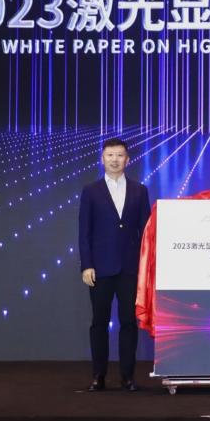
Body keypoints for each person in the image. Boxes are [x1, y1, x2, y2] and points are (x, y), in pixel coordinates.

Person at [78, 138, 151, 391]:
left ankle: (127, 377)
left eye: (120, 155)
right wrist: (86, 265)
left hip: (130, 268)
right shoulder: (91, 191)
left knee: (129, 323)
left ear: (127, 159)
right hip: (99, 268)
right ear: (102, 159)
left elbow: (146, 232)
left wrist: (145, 265)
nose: (114, 160)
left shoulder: (140, 190)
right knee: (99, 322)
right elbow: (84, 232)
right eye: (110, 155)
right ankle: (98, 376)